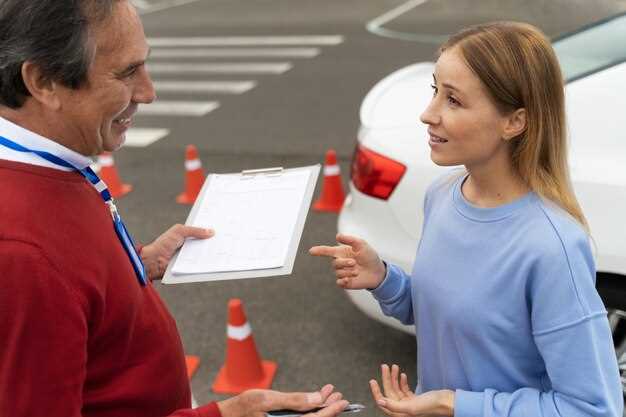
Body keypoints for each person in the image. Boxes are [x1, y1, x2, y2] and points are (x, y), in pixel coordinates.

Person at [0, 1, 349, 417]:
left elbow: (72, 288)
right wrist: (226, 415)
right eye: (127, 72)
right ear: (44, 81)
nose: (149, 92)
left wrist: (140, 264)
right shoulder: (23, 254)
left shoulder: (47, 164)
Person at [311, 21, 623, 417]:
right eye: (434, 91)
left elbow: (592, 408)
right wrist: (384, 280)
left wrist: (449, 403)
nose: (428, 114)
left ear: (515, 122)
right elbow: (455, 322)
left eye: (453, 100)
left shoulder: (552, 246)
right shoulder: (441, 196)